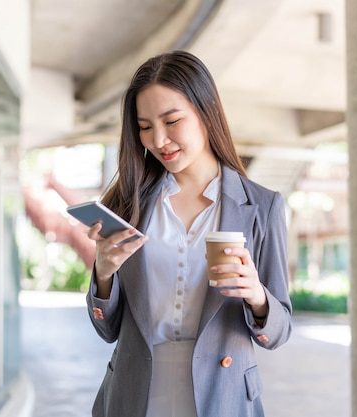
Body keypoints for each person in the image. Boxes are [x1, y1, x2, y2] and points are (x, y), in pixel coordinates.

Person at [84, 50, 292, 417]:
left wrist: (257, 296)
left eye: (172, 120)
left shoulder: (262, 206)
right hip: (135, 394)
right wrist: (103, 275)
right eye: (145, 126)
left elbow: (279, 331)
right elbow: (108, 330)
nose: (158, 140)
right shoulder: (128, 204)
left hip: (223, 396)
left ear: (206, 110)